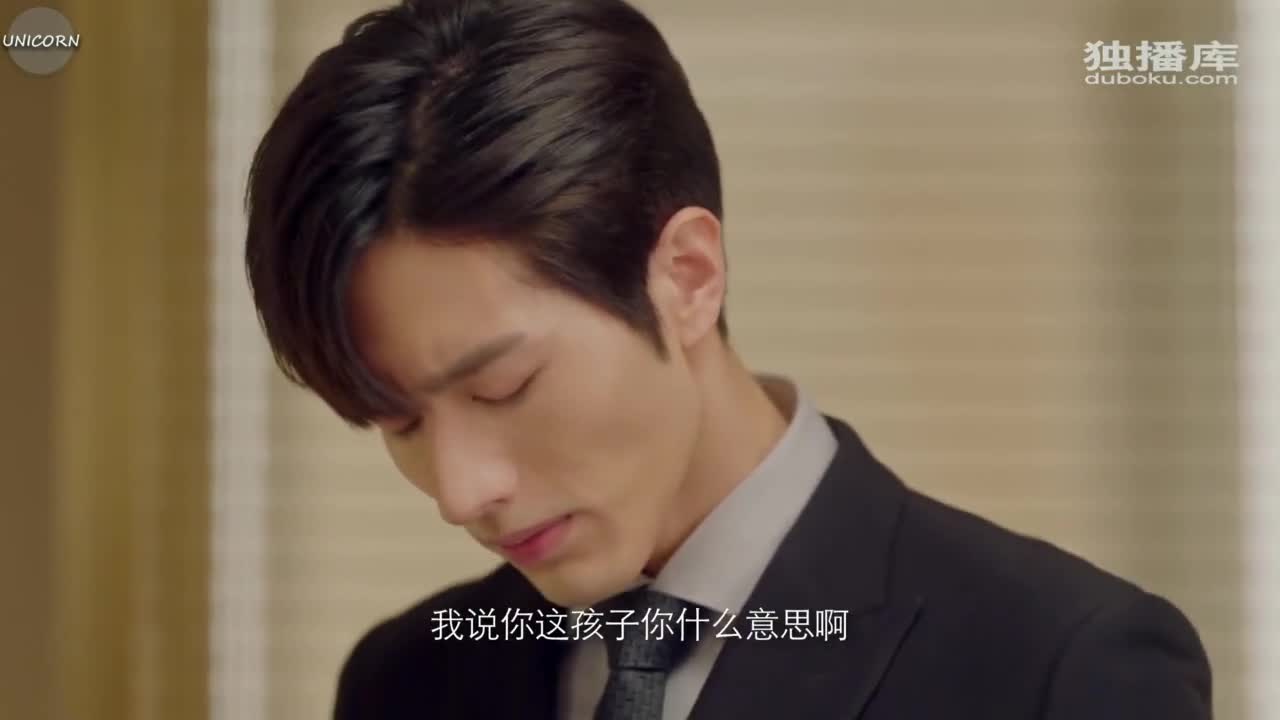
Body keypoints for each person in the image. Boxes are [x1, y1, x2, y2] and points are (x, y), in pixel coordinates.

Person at [243, 0, 1213, 718]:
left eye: (504, 386)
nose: (460, 492)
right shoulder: (410, 681)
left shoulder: (1059, 668)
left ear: (687, 276)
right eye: (399, 420)